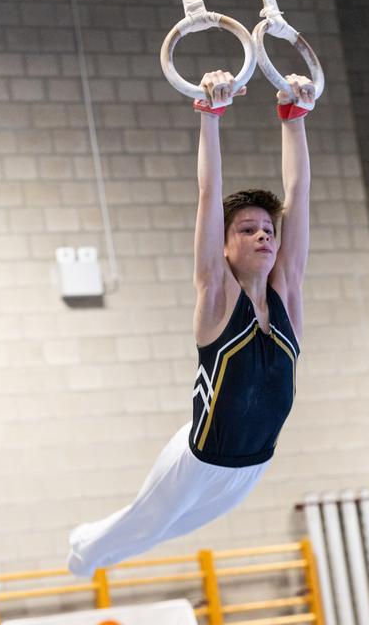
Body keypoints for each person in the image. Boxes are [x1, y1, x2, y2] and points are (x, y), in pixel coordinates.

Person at [67, 71, 314, 577]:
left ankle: (95, 549)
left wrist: (294, 119)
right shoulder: (217, 295)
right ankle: (84, 551)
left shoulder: (287, 292)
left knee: (172, 531)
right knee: (145, 524)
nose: (264, 236)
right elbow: (209, 194)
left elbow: (299, 194)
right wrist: (210, 118)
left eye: (269, 230)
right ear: (224, 247)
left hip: (252, 466)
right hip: (195, 462)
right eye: (247, 229)